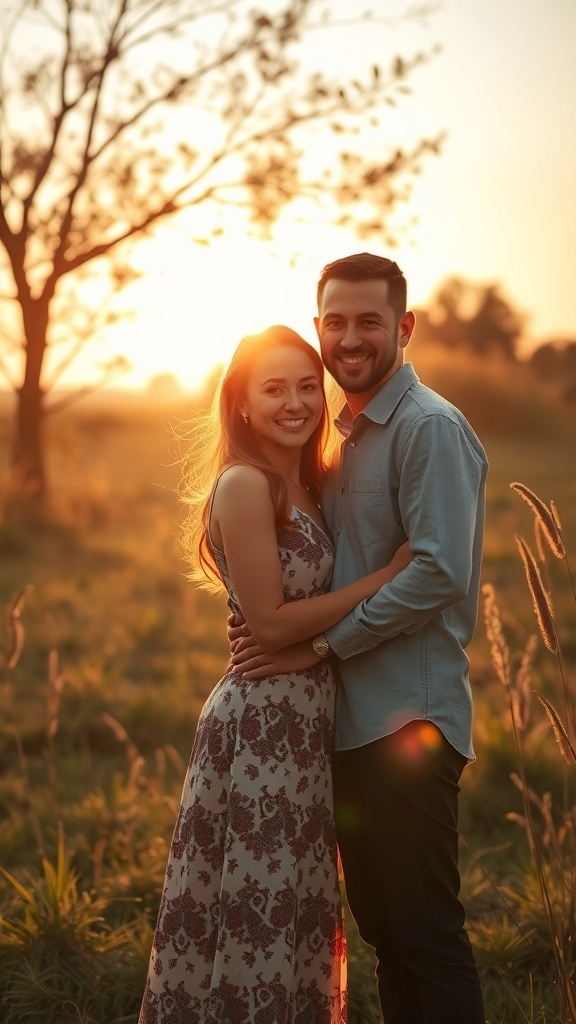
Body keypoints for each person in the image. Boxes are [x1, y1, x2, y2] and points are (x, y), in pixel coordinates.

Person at [230, 254, 488, 1024]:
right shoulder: (343, 439)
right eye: (335, 322)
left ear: (403, 327)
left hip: (407, 721)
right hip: (345, 729)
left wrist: (320, 648)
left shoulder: (428, 428)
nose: (350, 338)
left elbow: (438, 573)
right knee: (387, 936)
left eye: (369, 321)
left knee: (426, 936)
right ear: (319, 329)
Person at [138, 325, 411, 1024]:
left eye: (304, 385)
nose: (295, 402)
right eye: (273, 388)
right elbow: (269, 625)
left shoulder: (312, 482)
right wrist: (384, 579)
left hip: (306, 722)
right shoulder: (243, 484)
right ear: (241, 406)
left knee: (294, 907)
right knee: (252, 910)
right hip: (258, 725)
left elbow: (299, 615)